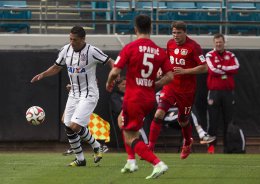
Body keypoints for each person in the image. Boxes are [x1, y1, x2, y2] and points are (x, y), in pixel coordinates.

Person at [31, 25, 114, 166]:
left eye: (74, 40)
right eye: (70, 39)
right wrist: (43, 74)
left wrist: (114, 76)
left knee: (75, 126)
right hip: (74, 93)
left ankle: (96, 146)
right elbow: (57, 67)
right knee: (67, 124)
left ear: (83, 39)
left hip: (89, 94)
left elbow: (111, 62)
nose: (71, 42)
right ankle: (80, 159)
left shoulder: (92, 51)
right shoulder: (66, 50)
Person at [106, 14, 173, 179]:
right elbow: (170, 76)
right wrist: (155, 85)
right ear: (150, 28)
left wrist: (109, 82)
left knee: (130, 137)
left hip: (134, 97)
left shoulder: (130, 47)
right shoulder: (159, 51)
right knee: (122, 120)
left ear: (135, 29)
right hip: (149, 98)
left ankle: (157, 163)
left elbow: (115, 71)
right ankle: (131, 161)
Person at [148, 21, 208, 159]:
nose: (176, 35)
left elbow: (204, 67)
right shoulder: (169, 44)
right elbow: (166, 60)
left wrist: (185, 71)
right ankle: (150, 147)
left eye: (179, 33)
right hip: (170, 87)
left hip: (186, 91)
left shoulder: (194, 47)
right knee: (158, 114)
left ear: (185, 32)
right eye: (174, 32)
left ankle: (187, 142)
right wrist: (160, 70)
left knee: (183, 121)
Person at [205, 33, 240, 154]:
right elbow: (212, 70)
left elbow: (236, 67)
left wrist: (221, 67)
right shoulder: (209, 54)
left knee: (228, 121)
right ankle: (211, 147)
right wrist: (226, 69)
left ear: (224, 42)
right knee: (213, 121)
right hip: (214, 92)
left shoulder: (231, 55)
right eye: (216, 42)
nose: (218, 44)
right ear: (214, 43)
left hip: (228, 92)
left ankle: (228, 147)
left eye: (220, 42)